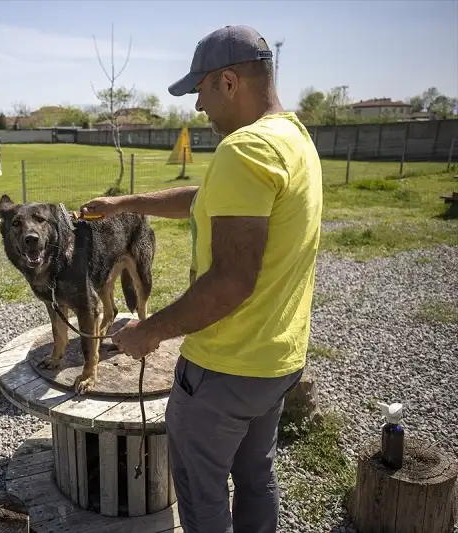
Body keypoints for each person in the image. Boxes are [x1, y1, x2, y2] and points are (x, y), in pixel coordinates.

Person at [79, 25, 323, 533]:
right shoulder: (294, 138)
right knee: (256, 477)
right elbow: (206, 200)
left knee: (201, 493)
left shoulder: (244, 150)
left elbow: (231, 280)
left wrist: (148, 332)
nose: (197, 106)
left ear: (228, 82)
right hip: (277, 359)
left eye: (201, 90)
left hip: (224, 370)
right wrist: (123, 203)